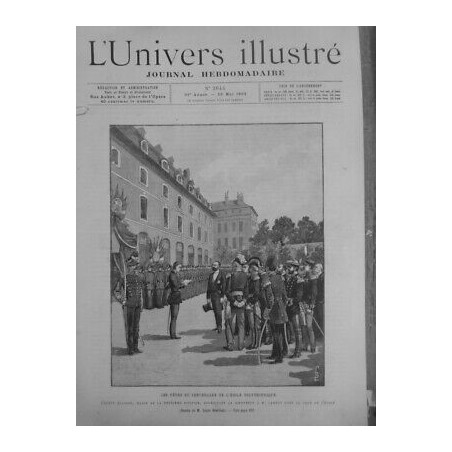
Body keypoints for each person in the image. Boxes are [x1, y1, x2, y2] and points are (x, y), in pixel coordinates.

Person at [263, 256, 289, 364]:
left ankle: (279, 357)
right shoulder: (280, 278)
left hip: (273, 308)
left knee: (276, 333)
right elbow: (284, 295)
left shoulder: (267, 279)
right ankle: (276, 353)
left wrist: (268, 309)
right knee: (279, 332)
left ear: (268, 268)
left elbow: (269, 297)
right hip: (281, 306)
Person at [224, 256, 249, 351]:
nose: (233, 267)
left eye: (235, 265)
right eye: (233, 266)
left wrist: (235, 301)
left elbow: (227, 291)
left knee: (230, 324)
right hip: (240, 302)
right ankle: (240, 345)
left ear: (238, 266)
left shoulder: (230, 276)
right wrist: (243, 301)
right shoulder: (245, 276)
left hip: (234, 302)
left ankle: (231, 344)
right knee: (240, 324)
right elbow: (246, 291)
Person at [122, 254, 145, 355]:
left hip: (137, 305)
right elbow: (116, 291)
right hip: (129, 305)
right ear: (129, 268)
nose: (134, 269)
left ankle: (135, 347)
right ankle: (130, 348)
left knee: (136, 327)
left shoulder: (138, 278)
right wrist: (122, 300)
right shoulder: (124, 279)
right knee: (130, 327)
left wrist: (141, 302)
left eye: (135, 267)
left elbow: (140, 292)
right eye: (132, 267)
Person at [167, 261, 191, 339]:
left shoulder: (175, 274)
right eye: (179, 267)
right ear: (175, 267)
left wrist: (184, 284)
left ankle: (173, 333)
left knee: (175, 316)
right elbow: (175, 285)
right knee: (174, 316)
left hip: (176, 296)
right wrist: (183, 283)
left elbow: (178, 285)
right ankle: (173, 334)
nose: (180, 269)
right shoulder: (172, 274)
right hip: (174, 296)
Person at [285, 260, 303, 358]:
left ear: (295, 268)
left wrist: (291, 299)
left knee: (297, 330)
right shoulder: (289, 279)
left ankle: (298, 351)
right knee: (291, 329)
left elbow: (299, 296)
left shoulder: (298, 279)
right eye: (287, 267)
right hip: (288, 307)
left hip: (295, 308)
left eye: (289, 267)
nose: (287, 269)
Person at [205, 261, 226, 333]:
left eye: (215, 265)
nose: (213, 266)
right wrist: (208, 298)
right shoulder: (211, 275)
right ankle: (217, 325)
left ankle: (220, 327)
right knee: (215, 311)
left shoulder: (222, 274)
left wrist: (222, 296)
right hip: (212, 295)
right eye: (213, 265)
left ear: (219, 266)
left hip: (218, 295)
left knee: (218, 311)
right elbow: (208, 287)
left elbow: (224, 286)